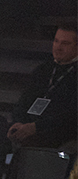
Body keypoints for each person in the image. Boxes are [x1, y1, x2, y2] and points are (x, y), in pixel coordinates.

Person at [7, 21, 76, 150]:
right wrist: (18, 122)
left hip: (60, 134)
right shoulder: (44, 69)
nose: (58, 47)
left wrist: (35, 127)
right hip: (31, 127)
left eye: (65, 43)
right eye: (56, 41)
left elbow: (71, 116)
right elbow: (24, 100)